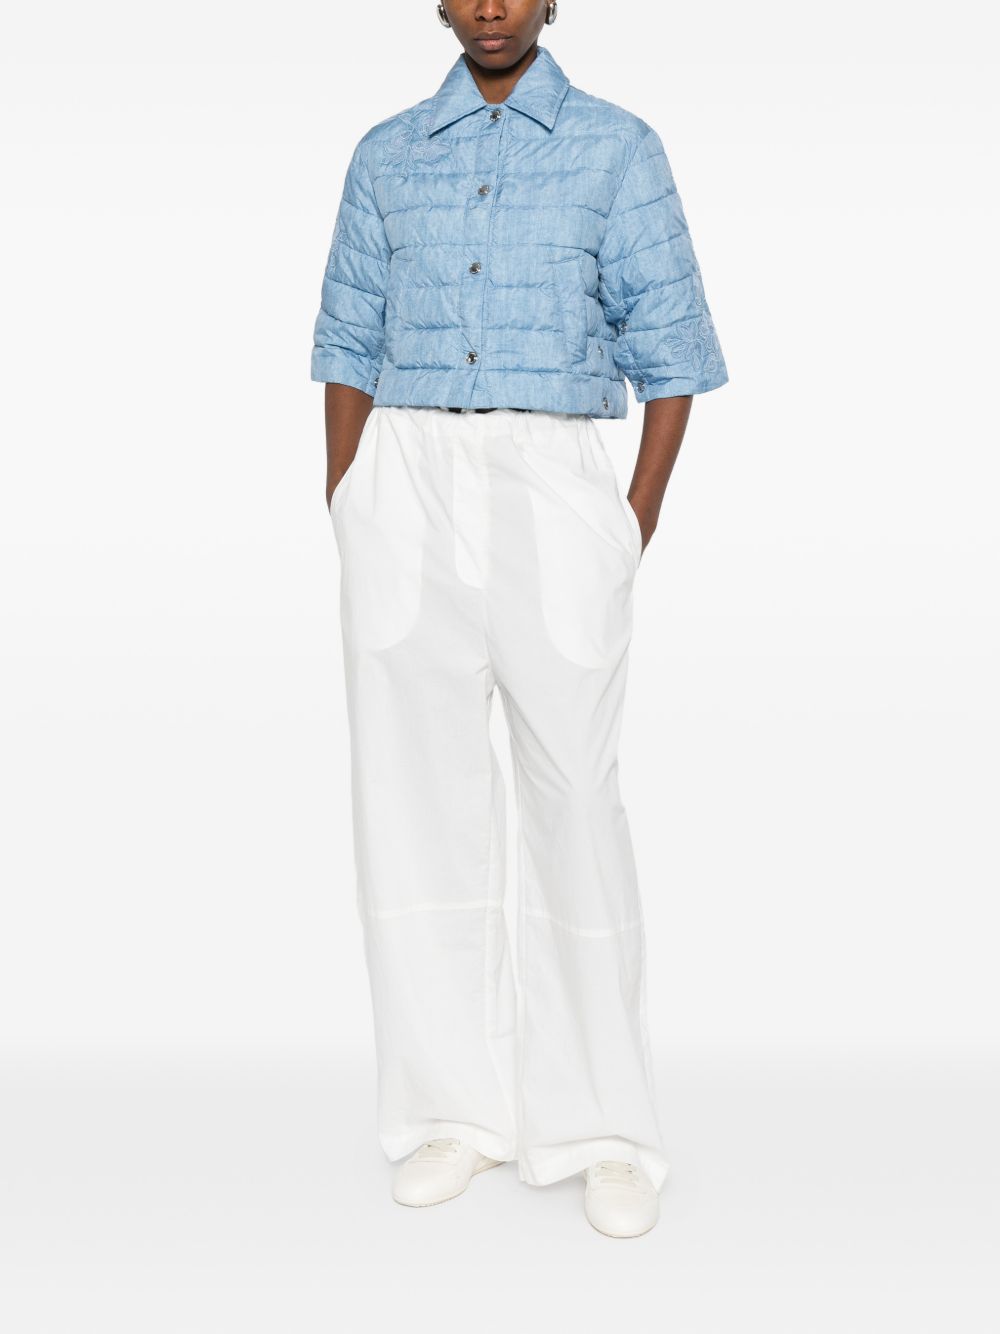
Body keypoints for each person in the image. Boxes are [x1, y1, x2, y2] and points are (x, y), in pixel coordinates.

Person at [310, 1, 727, 1239]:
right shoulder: (387, 151)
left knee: (573, 801)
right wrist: (349, 498)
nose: (489, 4)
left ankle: (603, 1127)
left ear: (552, 1)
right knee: (413, 800)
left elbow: (673, 349)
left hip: (554, 483)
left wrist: (628, 523)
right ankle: (450, 1111)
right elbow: (347, 334)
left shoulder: (617, 147)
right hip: (406, 481)